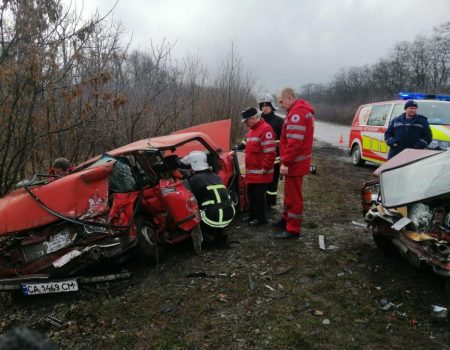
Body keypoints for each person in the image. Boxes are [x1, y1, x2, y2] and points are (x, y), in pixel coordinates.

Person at [273, 87, 315, 239]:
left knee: (293, 196)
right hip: (295, 162)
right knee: (289, 194)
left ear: (289, 98)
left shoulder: (297, 113)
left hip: (294, 163)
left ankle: (293, 229)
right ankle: (286, 220)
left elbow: (295, 142)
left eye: (281, 101)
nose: (280, 105)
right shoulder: (297, 111)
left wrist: (286, 163)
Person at [183, 150, 235, 242]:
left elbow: (191, 200)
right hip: (228, 213)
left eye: (190, 166)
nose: (190, 169)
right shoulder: (215, 176)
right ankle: (219, 233)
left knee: (192, 209)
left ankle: (209, 238)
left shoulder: (195, 180)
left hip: (212, 218)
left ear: (194, 165)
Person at [241, 107, 276, 226]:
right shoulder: (251, 130)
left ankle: (261, 219)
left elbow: (270, 152)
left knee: (259, 197)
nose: (246, 123)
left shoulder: (266, 129)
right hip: (252, 172)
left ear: (253, 118)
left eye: (246, 121)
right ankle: (252, 216)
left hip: (261, 172)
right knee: (251, 195)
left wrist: (265, 168)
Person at [257, 92, 284, 208]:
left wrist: (275, 144)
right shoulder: (258, 120)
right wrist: (241, 146)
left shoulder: (279, 121)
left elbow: (285, 140)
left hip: (275, 159)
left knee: (272, 184)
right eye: (262, 105)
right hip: (260, 158)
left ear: (272, 106)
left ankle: (270, 204)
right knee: (260, 183)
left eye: (267, 105)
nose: (264, 108)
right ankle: (261, 203)